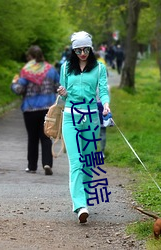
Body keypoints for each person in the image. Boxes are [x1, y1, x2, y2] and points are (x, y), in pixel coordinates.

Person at [57, 31, 110, 223]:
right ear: (73, 50)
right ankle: (80, 205)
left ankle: (85, 199)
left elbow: (103, 90)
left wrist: (105, 104)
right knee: (76, 162)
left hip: (91, 118)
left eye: (85, 49)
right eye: (78, 50)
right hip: (71, 117)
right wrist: (62, 92)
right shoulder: (65, 68)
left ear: (91, 48)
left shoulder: (99, 68)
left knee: (88, 162)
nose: (82, 53)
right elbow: (63, 97)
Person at [11, 45, 60, 175]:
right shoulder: (51, 70)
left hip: (30, 109)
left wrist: (14, 83)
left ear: (30, 57)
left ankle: (32, 166)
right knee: (46, 137)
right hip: (47, 109)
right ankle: (47, 163)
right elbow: (58, 87)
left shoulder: (26, 71)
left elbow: (19, 90)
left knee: (32, 138)